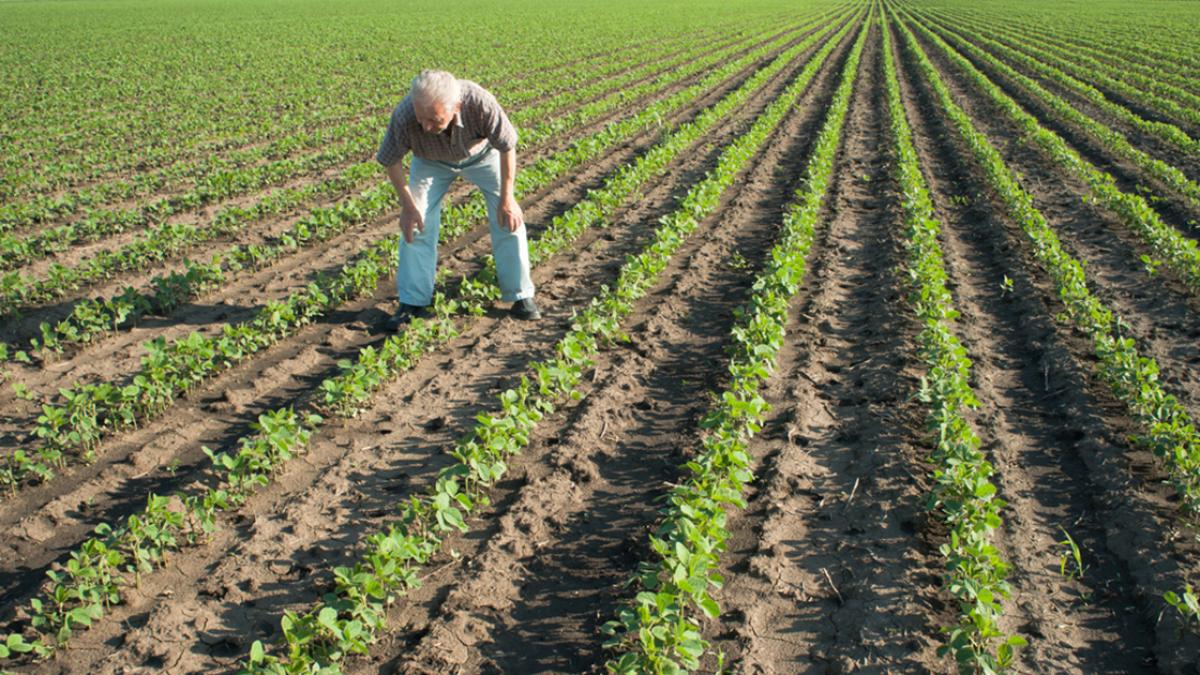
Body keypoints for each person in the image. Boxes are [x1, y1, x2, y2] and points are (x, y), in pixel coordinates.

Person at [376, 69, 539, 328]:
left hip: (482, 157)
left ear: (456, 107)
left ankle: (521, 295)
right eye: (422, 119)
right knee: (416, 223)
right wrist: (408, 207)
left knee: (508, 217)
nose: (426, 126)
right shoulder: (406, 114)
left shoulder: (479, 102)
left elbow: (507, 146)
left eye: (434, 119)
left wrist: (507, 198)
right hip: (429, 162)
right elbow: (391, 161)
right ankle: (412, 301)